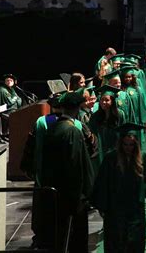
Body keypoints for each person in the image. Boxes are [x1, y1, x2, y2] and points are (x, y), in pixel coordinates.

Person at [91, 122, 146, 253]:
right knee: (116, 242)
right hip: (115, 210)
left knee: (135, 243)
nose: (129, 148)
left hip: (135, 210)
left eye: (132, 145)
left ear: (136, 144)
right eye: (126, 144)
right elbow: (102, 182)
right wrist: (102, 205)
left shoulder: (142, 158)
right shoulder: (111, 158)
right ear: (120, 143)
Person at [40, 92, 94, 252]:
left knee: (61, 235)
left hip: (56, 190)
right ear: (77, 109)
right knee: (76, 238)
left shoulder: (54, 127)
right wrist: (80, 196)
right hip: (71, 194)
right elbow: (75, 166)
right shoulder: (72, 131)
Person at [88, 85, 126, 167]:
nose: (103, 102)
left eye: (107, 100)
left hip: (116, 150)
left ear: (112, 101)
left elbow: (124, 133)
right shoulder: (95, 116)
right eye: (102, 99)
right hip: (101, 152)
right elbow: (91, 135)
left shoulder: (120, 114)